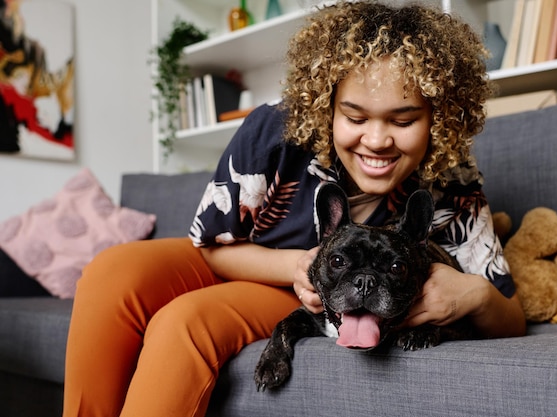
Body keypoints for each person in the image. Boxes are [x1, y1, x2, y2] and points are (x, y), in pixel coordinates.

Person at [62, 1, 526, 416]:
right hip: (253, 257)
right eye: (355, 116)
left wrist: (474, 294)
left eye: (403, 120)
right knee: (111, 271)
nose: (377, 139)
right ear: (326, 106)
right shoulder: (274, 130)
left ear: (438, 117)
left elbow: (511, 315)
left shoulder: (450, 177)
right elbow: (211, 246)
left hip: (302, 297)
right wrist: (297, 264)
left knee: (183, 323)